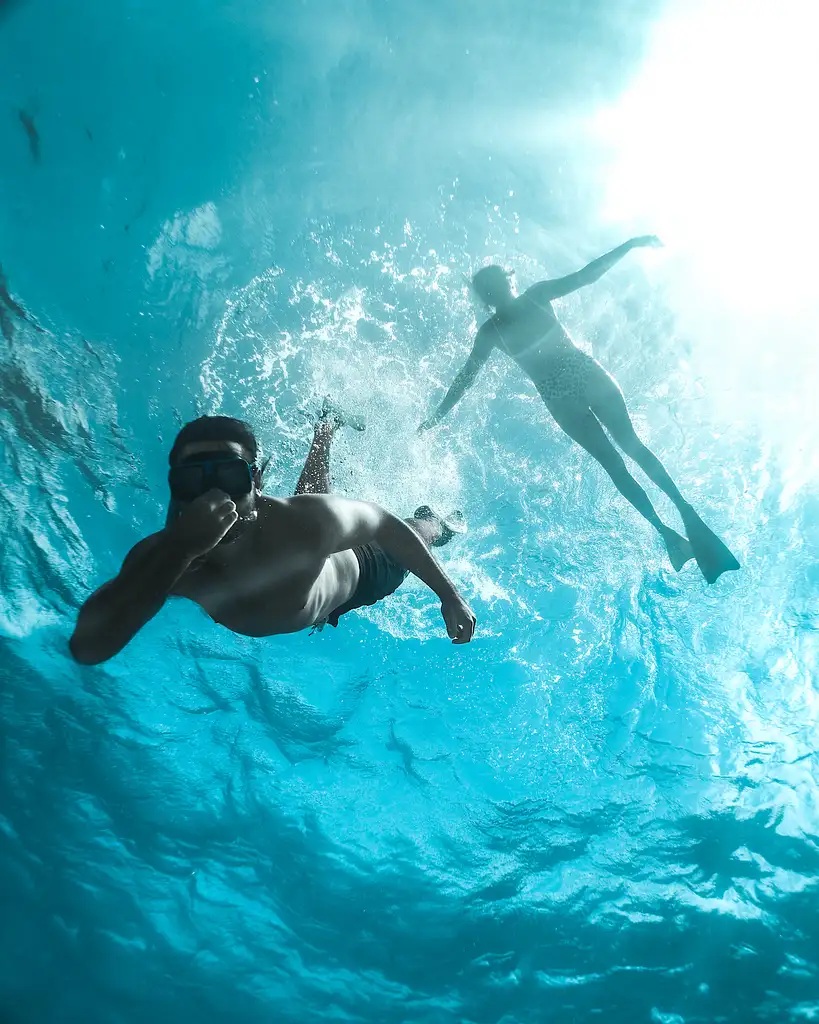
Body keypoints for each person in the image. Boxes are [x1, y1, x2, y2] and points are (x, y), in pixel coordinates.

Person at [419, 237, 739, 584]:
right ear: (491, 295)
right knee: (620, 459)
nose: (497, 293)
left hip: (573, 385)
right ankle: (670, 529)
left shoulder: (529, 301)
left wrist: (629, 245)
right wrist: (438, 414)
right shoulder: (497, 326)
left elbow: (587, 275)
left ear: (505, 284)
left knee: (625, 453)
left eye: (496, 286)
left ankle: (678, 521)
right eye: (491, 290)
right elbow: (465, 377)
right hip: (570, 389)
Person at [69, 403, 475, 665]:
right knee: (309, 512)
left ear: (255, 483)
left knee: (387, 527)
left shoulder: (303, 522)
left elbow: (386, 526)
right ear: (175, 490)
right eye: (194, 482)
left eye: (230, 476)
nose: (214, 496)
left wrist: (449, 595)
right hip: (308, 560)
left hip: (363, 567)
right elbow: (89, 647)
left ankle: (434, 521)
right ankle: (326, 427)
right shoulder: (166, 558)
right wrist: (179, 549)